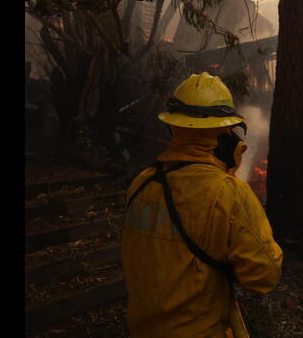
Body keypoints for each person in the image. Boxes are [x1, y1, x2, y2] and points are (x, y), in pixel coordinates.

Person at [121, 72, 283, 337]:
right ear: (224, 134)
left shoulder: (142, 183)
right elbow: (263, 276)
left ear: (173, 127)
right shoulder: (228, 193)